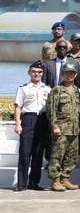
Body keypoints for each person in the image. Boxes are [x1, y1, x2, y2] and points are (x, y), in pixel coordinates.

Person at [13, 61, 52, 191]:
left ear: (42, 74)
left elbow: (50, 108)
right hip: (28, 119)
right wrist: (18, 124)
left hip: (42, 120)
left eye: (39, 72)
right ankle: (22, 183)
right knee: (25, 152)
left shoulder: (48, 89)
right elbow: (18, 107)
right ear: (29, 73)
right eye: (34, 71)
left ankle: (34, 182)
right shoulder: (23, 88)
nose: (37, 74)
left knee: (38, 152)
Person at [46, 63, 80, 191]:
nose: (69, 75)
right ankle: (55, 181)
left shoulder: (77, 90)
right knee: (57, 156)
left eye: (72, 73)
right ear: (62, 74)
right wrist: (54, 126)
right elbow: (51, 110)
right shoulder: (57, 90)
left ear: (76, 74)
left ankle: (65, 178)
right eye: (66, 73)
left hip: (74, 129)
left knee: (72, 156)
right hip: (60, 129)